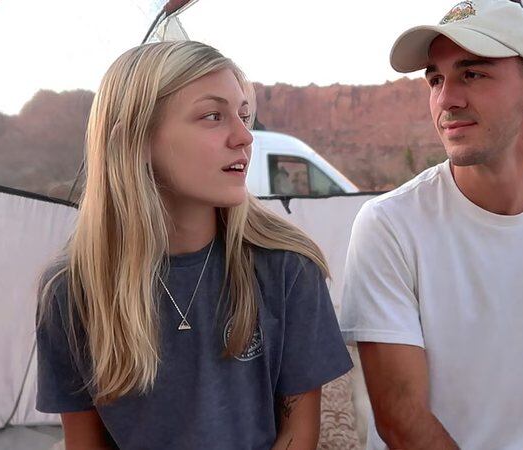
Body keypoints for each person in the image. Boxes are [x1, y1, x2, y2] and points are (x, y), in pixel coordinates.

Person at [339, 1, 523, 448]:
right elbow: (403, 418)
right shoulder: (390, 225)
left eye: (472, 74)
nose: (446, 100)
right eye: (436, 79)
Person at [36, 41, 352, 450]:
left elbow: (298, 434)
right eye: (213, 116)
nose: (244, 137)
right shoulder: (71, 289)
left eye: (243, 115)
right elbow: (85, 443)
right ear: (135, 140)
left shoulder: (287, 267)